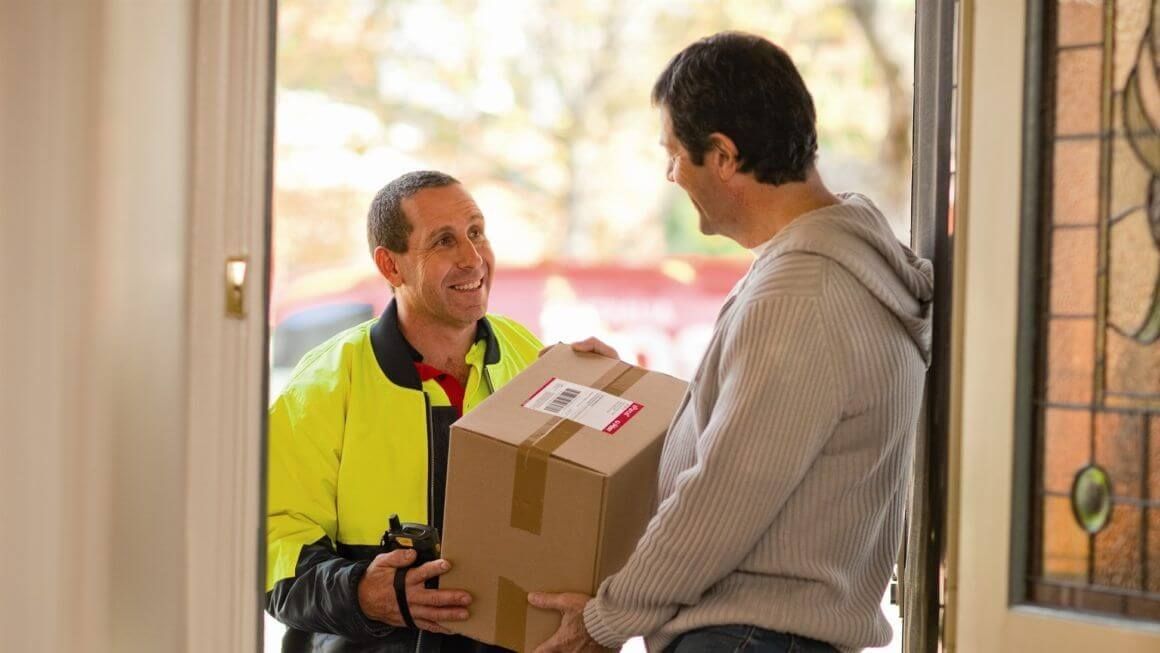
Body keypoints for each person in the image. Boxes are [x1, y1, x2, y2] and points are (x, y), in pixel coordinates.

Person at [529, 32, 933, 653]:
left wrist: (605, 620)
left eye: (673, 154)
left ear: (721, 155)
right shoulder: (832, 269)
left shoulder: (804, 295)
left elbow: (722, 499)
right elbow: (755, 441)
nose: (670, 174)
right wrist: (624, 396)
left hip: (746, 638)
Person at [266, 170, 543, 652]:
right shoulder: (326, 385)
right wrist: (360, 593)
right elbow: (270, 545)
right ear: (391, 267)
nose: (473, 259)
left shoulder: (533, 359)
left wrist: (602, 387)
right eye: (444, 241)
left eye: (477, 233)